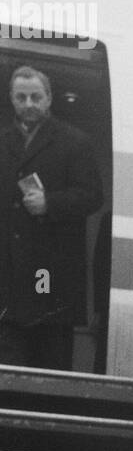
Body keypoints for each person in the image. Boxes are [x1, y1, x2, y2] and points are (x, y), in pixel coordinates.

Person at [0, 66, 104, 369]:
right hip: (8, 270)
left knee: (50, 355)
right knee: (8, 361)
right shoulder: (2, 141)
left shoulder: (75, 142)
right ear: (12, 99)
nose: (29, 103)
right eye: (21, 97)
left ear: (48, 99)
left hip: (50, 270)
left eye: (35, 96)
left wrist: (51, 203)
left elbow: (92, 196)